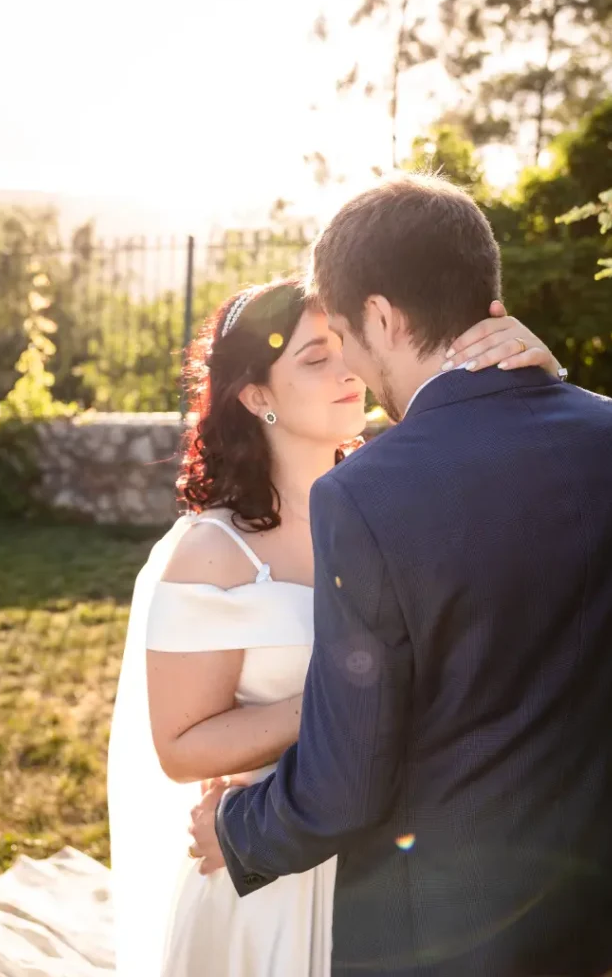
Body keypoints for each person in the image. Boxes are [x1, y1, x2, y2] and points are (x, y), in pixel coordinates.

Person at [189, 176, 612, 977]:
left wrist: (237, 827)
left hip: (447, 936)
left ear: (379, 316)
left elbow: (348, 779)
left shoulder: (365, 494)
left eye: (343, 334)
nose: (358, 371)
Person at [107, 271, 564, 977]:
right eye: (313, 358)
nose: (346, 371)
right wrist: (344, 696)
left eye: (342, 346)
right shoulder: (212, 553)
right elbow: (178, 749)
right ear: (257, 395)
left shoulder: (400, 493)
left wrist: (539, 374)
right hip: (271, 864)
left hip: (405, 855)